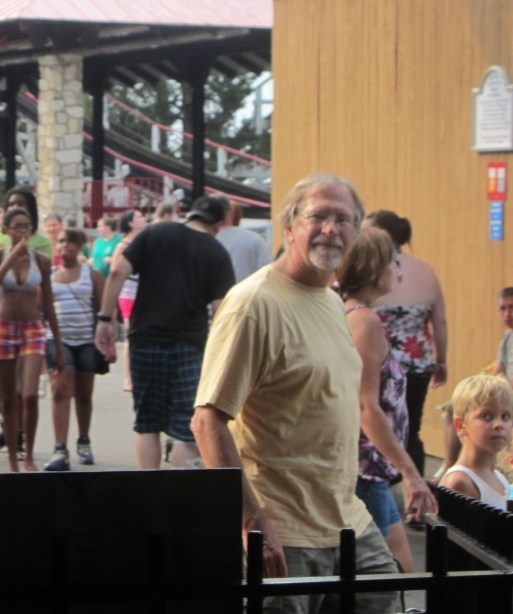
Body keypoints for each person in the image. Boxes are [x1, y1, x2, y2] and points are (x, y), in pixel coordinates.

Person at [191, 173, 398, 612]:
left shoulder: (329, 300)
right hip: (284, 532)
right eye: (318, 216)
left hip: (348, 521)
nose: (331, 229)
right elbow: (207, 420)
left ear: (356, 232)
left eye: (343, 219)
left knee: (385, 594)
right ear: (289, 227)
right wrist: (251, 520)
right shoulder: (255, 303)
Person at [97, 195, 235, 471]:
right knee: (186, 429)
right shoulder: (216, 252)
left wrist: (104, 319)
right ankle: (178, 499)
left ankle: (149, 497)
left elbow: (117, 272)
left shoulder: (156, 231)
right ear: (219, 223)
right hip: (189, 346)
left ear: (190, 213)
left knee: (147, 424)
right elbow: (222, 311)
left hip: (144, 340)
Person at [336, 227, 437, 573]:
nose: (397, 269)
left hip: (367, 470)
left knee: (399, 572)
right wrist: (412, 473)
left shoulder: (347, 314)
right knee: (391, 578)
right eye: (392, 262)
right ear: (373, 268)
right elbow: (367, 407)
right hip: (366, 469)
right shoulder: (365, 322)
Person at [365, 209, 448, 478]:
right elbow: (440, 322)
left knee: (374, 425)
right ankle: (417, 498)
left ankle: (380, 489)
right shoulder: (425, 270)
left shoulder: (370, 269)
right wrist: (441, 360)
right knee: (412, 430)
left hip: (378, 361)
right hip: (417, 360)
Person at [0, 187, 54, 453]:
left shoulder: (41, 244)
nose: (21, 229)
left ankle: (18, 433)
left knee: (25, 386)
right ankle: (10, 420)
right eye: (10, 205)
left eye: (20, 205)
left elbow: (44, 287)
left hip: (29, 319)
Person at [44, 228, 105, 471]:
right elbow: (42, 311)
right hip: (58, 341)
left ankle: (83, 440)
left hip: (87, 342)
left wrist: (106, 341)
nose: (64, 246)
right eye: (60, 242)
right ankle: (60, 448)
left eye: (70, 242)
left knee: (84, 395)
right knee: (60, 391)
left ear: (79, 246)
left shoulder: (92, 275)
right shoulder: (48, 276)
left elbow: (104, 310)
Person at [440, 375, 513, 509]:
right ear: (461, 425)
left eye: (505, 416)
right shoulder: (459, 482)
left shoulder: (500, 479)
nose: (499, 424)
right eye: (486, 416)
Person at [115, 210, 147, 393]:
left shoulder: (142, 242)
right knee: (131, 336)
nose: (143, 219)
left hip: (141, 293)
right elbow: (115, 273)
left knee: (141, 335)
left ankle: (138, 376)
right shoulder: (123, 245)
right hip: (127, 294)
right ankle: (128, 378)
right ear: (131, 223)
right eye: (139, 217)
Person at [217, 199, 272, 283]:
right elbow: (266, 272)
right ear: (232, 213)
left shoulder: (204, 239)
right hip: (246, 293)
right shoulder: (254, 239)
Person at [491, 287, 513, 383]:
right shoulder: (507, 337)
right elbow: (498, 372)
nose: (507, 314)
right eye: (503, 308)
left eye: (512, 307)